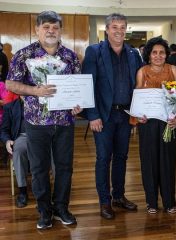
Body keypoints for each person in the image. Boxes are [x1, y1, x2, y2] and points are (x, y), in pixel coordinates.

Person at [6, 10, 82, 229]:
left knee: (65, 167)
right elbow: (11, 84)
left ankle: (61, 208)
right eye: (46, 27)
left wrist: (78, 104)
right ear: (37, 29)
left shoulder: (70, 56)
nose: (51, 31)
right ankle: (44, 211)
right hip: (36, 122)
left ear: (60, 30)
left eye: (55, 27)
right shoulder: (24, 55)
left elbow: (77, 86)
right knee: (39, 168)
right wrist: (35, 90)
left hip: (65, 121)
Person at [82, 13, 142, 220]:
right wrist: (93, 115)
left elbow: (139, 86)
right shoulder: (94, 51)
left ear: (126, 29)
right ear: (107, 30)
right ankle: (105, 201)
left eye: (122, 27)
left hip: (125, 114)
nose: (118, 31)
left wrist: (138, 112)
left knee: (122, 157)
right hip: (103, 116)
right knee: (103, 158)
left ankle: (119, 196)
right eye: (114, 27)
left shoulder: (134, 53)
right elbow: (87, 84)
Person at [135, 37, 176, 214]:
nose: (158, 56)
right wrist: (139, 116)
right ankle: (151, 202)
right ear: (148, 55)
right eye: (154, 52)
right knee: (149, 162)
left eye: (161, 52)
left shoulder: (173, 70)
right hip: (148, 124)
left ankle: (169, 201)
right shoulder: (142, 71)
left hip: (169, 122)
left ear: (166, 55)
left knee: (168, 162)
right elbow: (138, 97)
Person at [0, 93, 29, 208]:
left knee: (54, 150)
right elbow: (4, 130)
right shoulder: (10, 107)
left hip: (42, 137)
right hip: (23, 136)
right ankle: (22, 191)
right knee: (18, 149)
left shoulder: (44, 104)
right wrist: (7, 141)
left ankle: (58, 192)